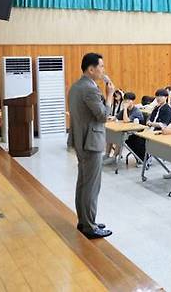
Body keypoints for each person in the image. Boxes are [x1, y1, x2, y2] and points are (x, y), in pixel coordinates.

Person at [67, 53, 114, 239]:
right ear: (91, 69)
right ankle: (90, 226)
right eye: (101, 67)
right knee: (92, 185)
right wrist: (109, 96)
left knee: (84, 182)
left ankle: (84, 220)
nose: (103, 70)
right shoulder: (90, 89)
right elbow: (102, 116)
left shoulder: (77, 86)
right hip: (91, 142)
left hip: (80, 139)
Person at [103, 92, 144, 165]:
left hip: (136, 134)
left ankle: (114, 157)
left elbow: (126, 120)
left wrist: (124, 108)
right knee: (110, 135)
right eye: (125, 101)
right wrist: (111, 118)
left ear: (132, 101)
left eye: (128, 101)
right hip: (127, 131)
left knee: (119, 137)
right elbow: (116, 117)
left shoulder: (136, 111)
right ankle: (107, 154)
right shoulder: (125, 110)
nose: (125, 103)